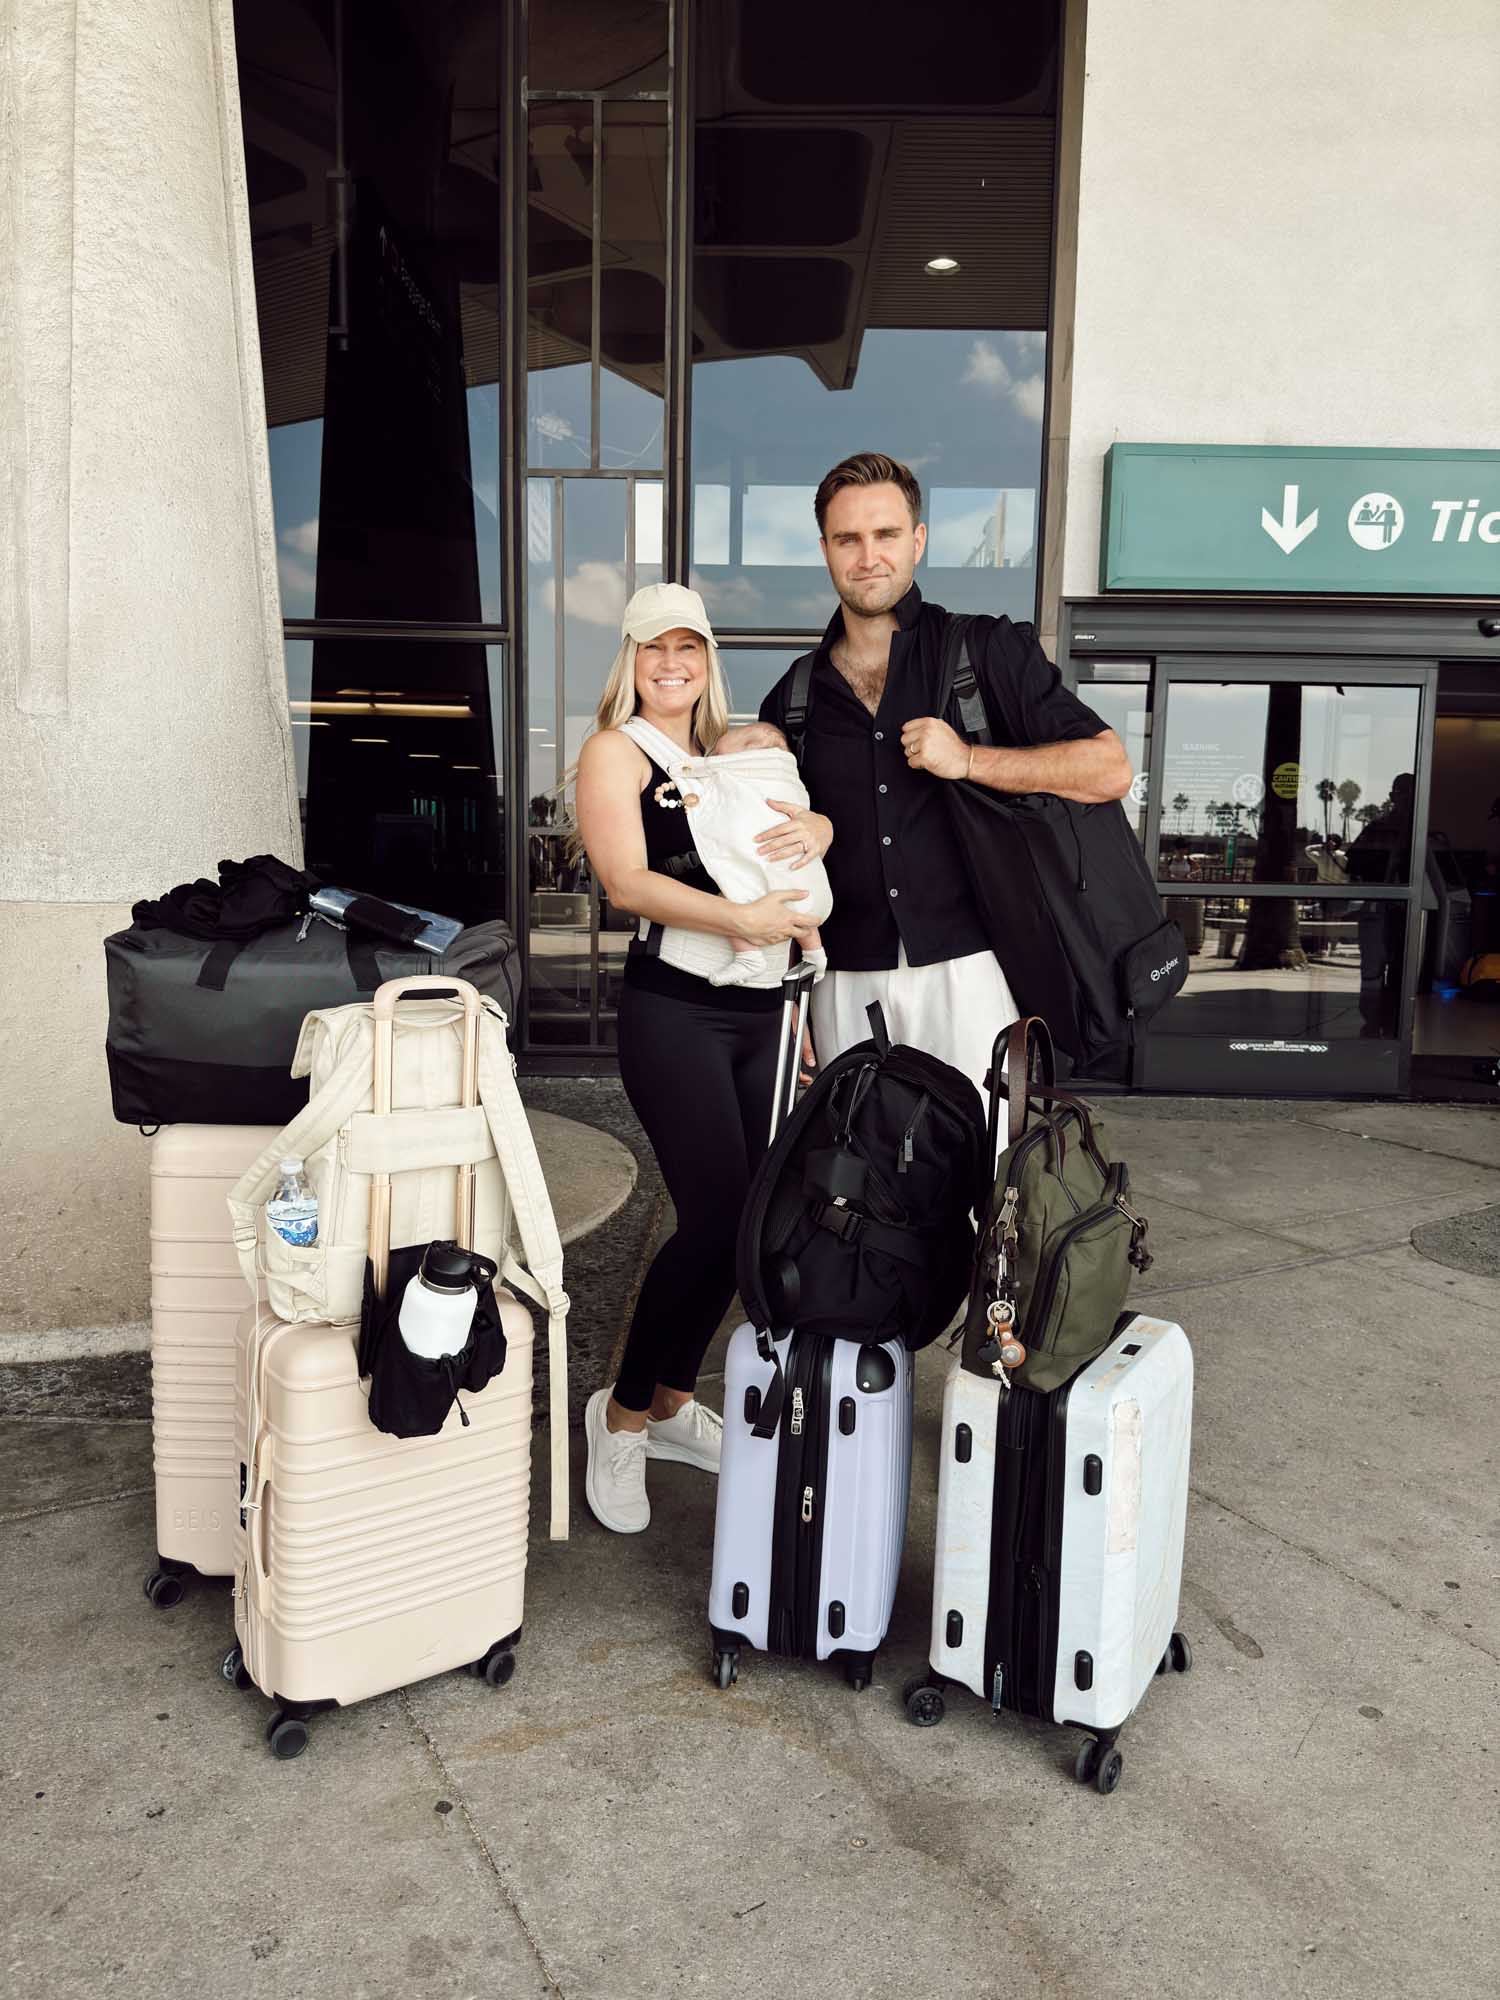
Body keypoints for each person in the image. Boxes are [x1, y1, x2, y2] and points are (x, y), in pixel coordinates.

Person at [573, 582, 833, 1532]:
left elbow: (796, 834)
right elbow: (624, 880)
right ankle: (623, 1416)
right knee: (718, 1213)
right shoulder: (617, 750)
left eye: (688, 648)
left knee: (753, 1221)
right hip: (675, 1010)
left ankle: (677, 1402)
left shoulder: (732, 752)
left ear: (708, 658)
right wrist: (741, 917)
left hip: (766, 1013)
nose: (671, 665)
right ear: (631, 659)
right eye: (654, 649)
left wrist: (824, 828)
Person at [758, 451, 1133, 1096]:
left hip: (971, 968)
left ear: (919, 541)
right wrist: (792, 996)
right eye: (848, 538)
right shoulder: (793, 699)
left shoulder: (985, 650)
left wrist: (968, 761)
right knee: (856, 1181)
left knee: (973, 1177)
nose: (868, 556)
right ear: (824, 549)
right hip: (842, 979)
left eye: (886, 535)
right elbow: (774, 861)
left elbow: (1109, 768)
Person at [622, 716, 832, 988]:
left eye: (721, 755)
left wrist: (823, 827)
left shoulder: (756, 781)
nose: (716, 759)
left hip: (766, 990)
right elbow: (625, 887)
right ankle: (816, 953)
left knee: (735, 893)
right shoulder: (628, 749)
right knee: (797, 901)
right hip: (679, 976)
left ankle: (748, 957)